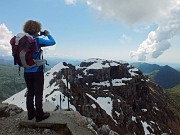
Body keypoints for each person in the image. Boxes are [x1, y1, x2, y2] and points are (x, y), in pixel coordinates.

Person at [23, 20, 56, 122]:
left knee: (30, 93)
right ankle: (39, 115)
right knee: (38, 93)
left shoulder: (23, 40)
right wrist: (47, 34)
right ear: (37, 29)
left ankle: (30, 114)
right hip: (37, 71)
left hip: (26, 71)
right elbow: (53, 42)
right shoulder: (37, 40)